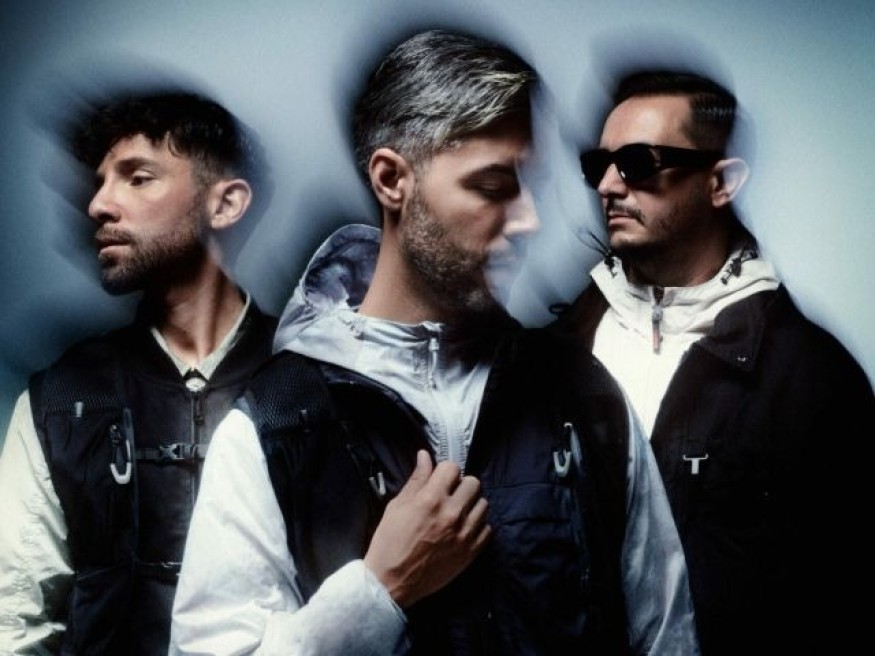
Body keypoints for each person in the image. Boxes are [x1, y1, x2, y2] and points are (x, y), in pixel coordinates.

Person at [171, 29, 698, 656]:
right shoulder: (271, 425)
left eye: (530, 185)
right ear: (392, 179)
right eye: (493, 185)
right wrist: (378, 592)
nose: (529, 218)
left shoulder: (586, 400)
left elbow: (668, 639)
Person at [554, 69, 875, 655]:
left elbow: (847, 598)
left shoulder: (812, 378)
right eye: (597, 164)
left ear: (721, 182)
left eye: (638, 162)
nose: (607, 185)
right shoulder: (558, 352)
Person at [0, 90, 277, 654]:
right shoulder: (60, 399)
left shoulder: (314, 382)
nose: (99, 204)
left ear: (225, 204)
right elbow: (14, 622)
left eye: (138, 178)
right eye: (100, 182)